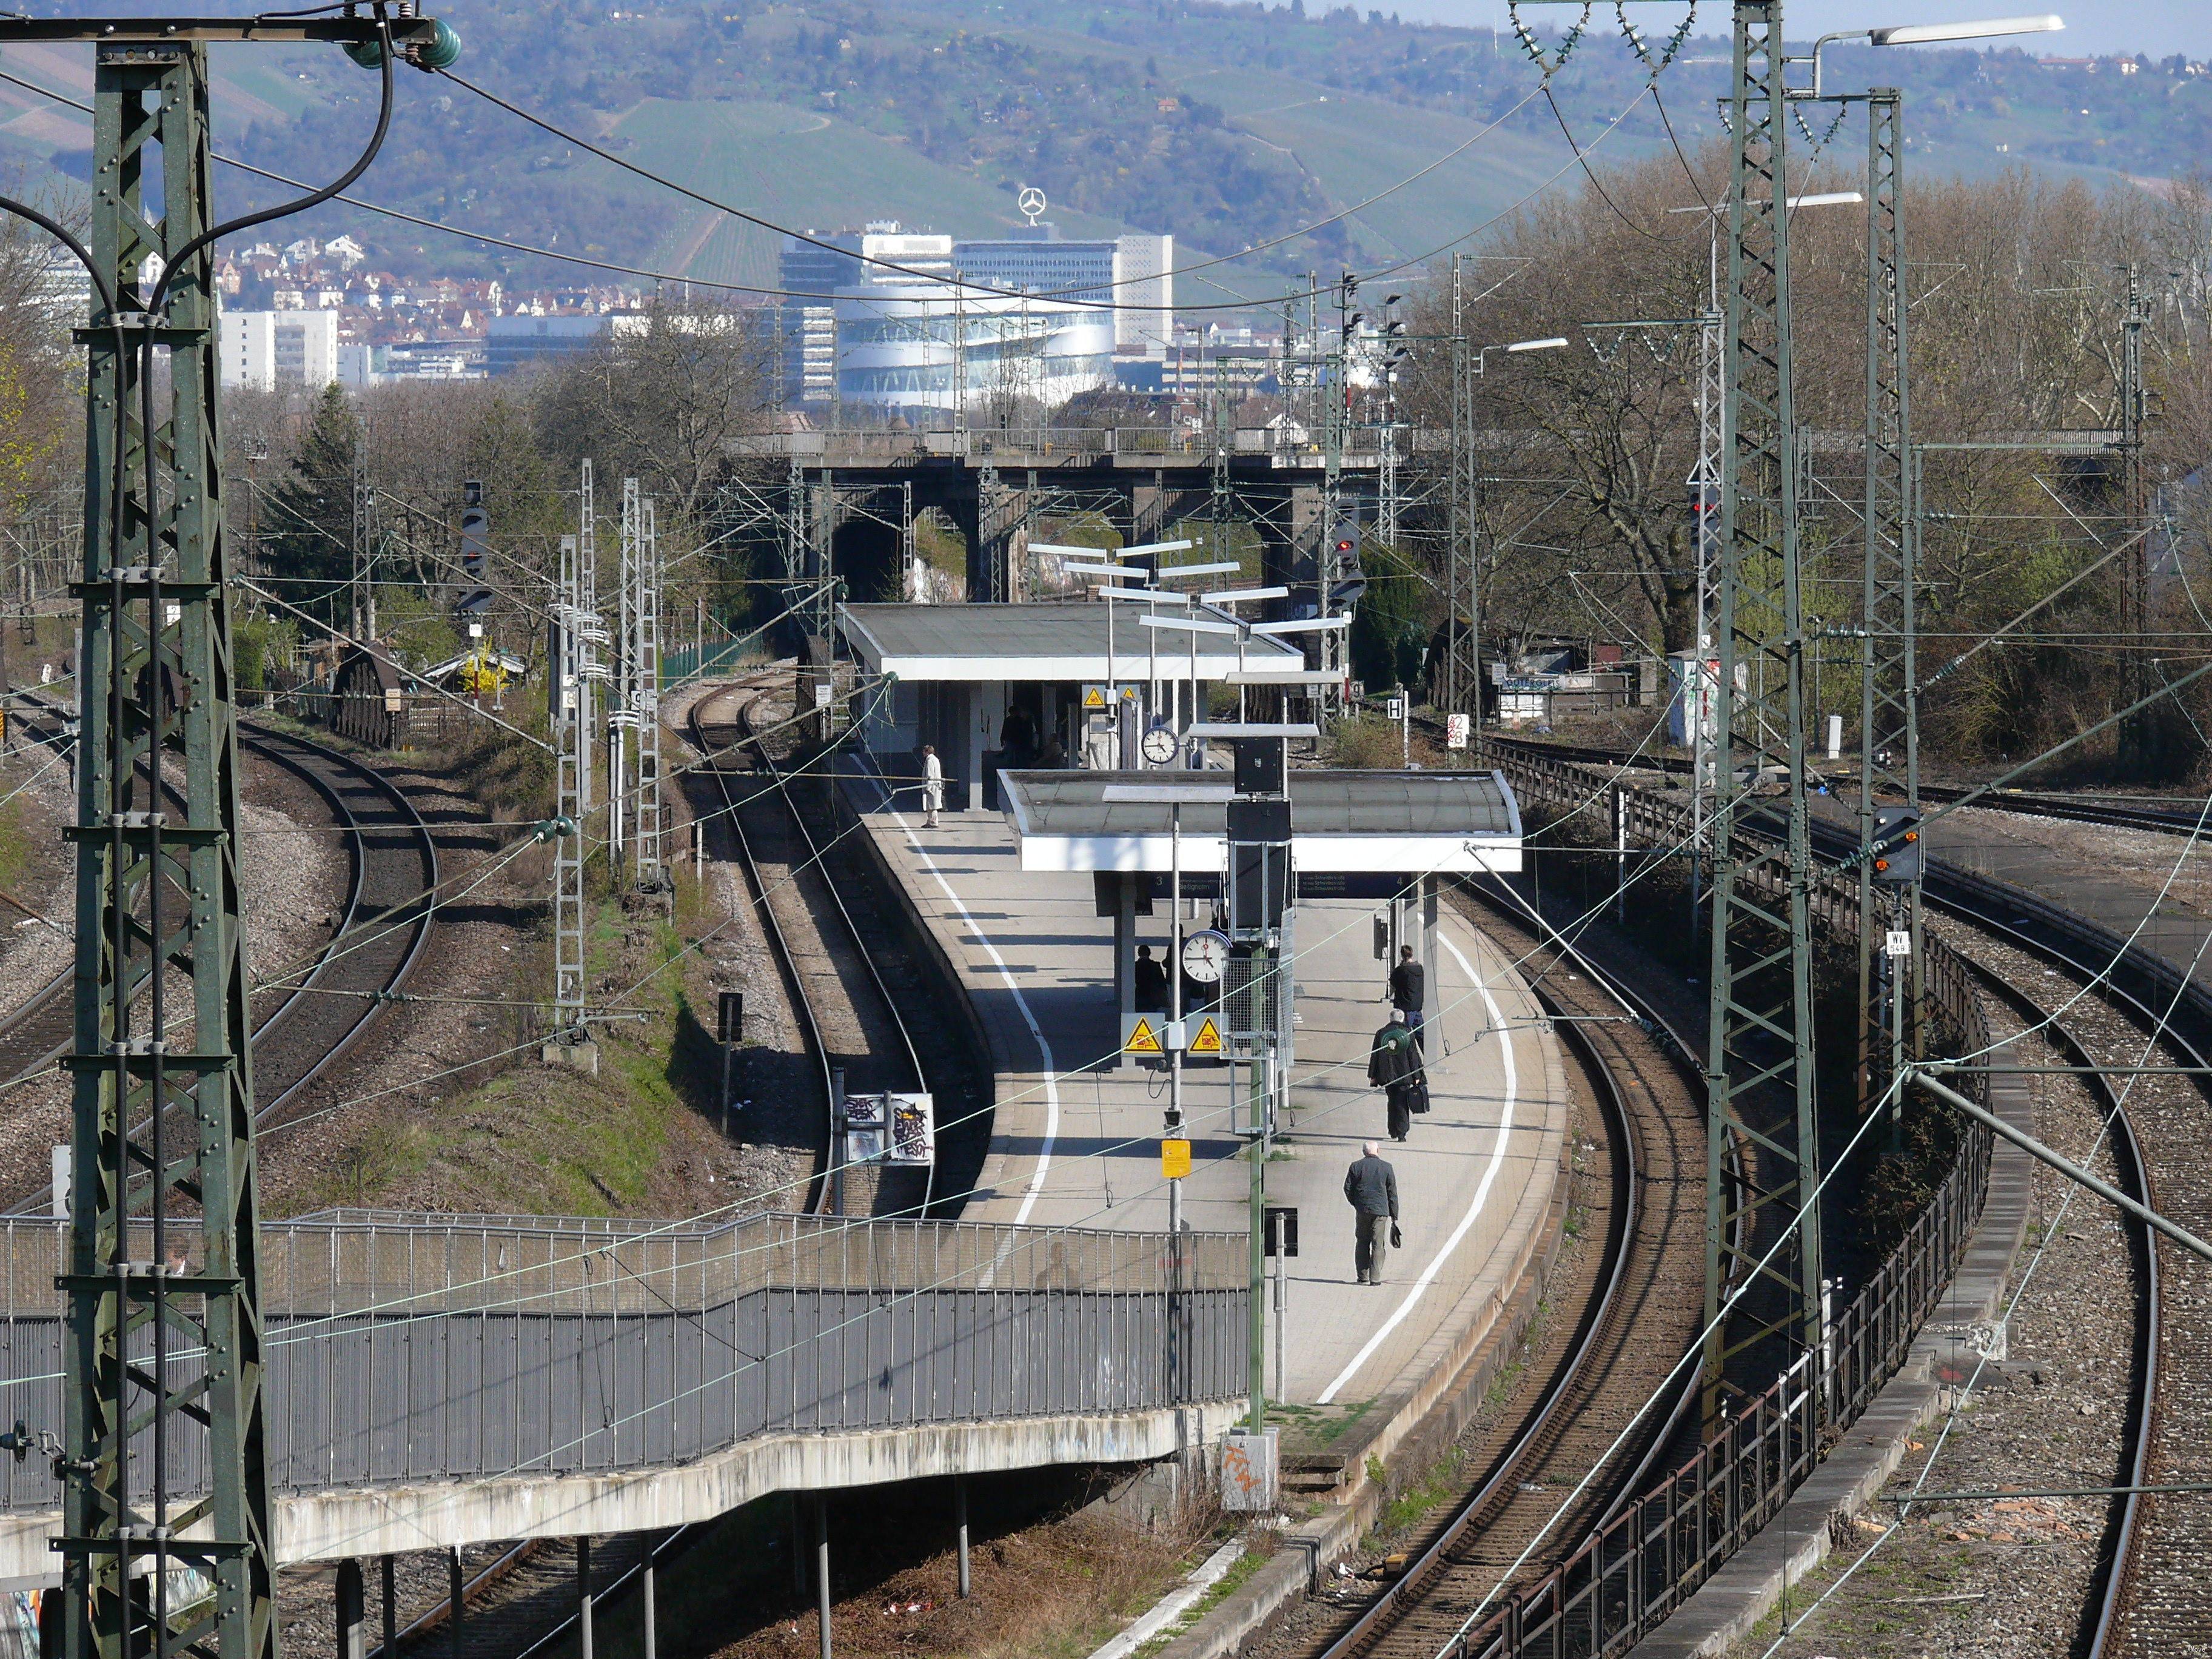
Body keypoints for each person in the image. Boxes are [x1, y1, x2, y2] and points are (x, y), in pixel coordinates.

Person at [1343, 1141, 1401, 1286]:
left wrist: (1356, 1203)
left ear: (1364, 1152)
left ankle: (1363, 1276)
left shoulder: (1356, 1166)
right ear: (1378, 1151)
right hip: (1381, 1212)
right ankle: (1375, 1278)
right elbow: (1392, 1193)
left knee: (1362, 1241)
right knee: (1377, 1244)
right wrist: (1394, 1215)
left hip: (1362, 1210)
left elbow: (1348, 1188)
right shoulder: (1387, 1168)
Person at [1367, 1008, 1426, 1142]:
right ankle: (1401, 1132)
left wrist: (1373, 1075)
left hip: (1386, 1075)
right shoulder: (1407, 1033)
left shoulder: (1381, 1033)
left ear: (1390, 1019)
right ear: (1402, 1019)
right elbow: (1413, 1056)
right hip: (1404, 1075)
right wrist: (1417, 1076)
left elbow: (1375, 1055)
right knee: (1401, 1104)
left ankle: (1392, 1130)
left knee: (1392, 1101)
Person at [1387, 944, 1426, 1045]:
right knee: (1421, 1034)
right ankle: (1427, 1055)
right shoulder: (1419, 969)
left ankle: (1406, 1058)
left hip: (1405, 1007)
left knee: (1404, 1035)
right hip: (1417, 1007)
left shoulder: (1401, 970)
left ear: (1402, 955)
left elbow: (1393, 982)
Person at [1133, 943, 1169, 1012]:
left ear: (1139, 954)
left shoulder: (1135, 966)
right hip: (1153, 994)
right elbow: (1161, 981)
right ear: (1149, 953)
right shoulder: (1155, 966)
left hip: (1139, 992)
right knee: (1152, 1014)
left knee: (1139, 1013)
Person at [921, 743, 944, 828]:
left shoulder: (930, 761)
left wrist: (928, 787)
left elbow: (930, 775)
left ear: (927, 752)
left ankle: (933, 822)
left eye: (924, 751)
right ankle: (930, 821)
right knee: (932, 804)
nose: (923, 753)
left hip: (932, 787)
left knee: (931, 806)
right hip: (936, 786)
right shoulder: (936, 759)